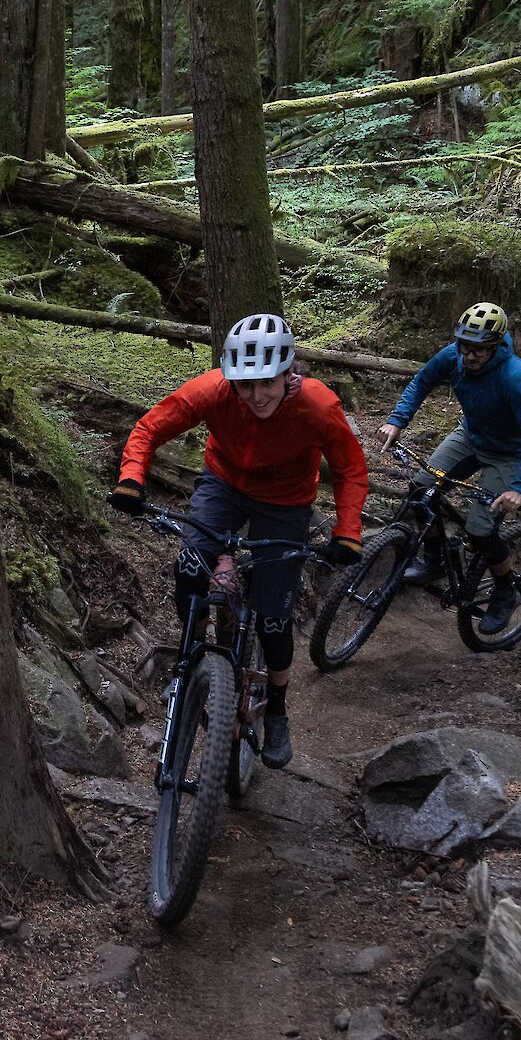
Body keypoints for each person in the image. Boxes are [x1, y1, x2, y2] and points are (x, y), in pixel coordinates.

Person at [108, 314, 369, 768]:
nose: (255, 395)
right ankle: (190, 658)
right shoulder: (213, 390)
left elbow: (348, 467)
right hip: (223, 483)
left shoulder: (318, 406)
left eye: (266, 382)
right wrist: (132, 479)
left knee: (272, 618)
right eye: (244, 385)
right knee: (191, 564)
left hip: (285, 502)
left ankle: (280, 710)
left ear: (288, 371)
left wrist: (347, 531)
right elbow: (151, 427)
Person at [375, 302, 521, 634]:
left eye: (478, 351)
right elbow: (421, 382)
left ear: (496, 346)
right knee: (420, 490)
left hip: (508, 455)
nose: (468, 356)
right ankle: (434, 561)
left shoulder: (520, 378)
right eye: (464, 347)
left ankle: (505, 590)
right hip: (470, 437)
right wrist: (396, 421)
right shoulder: (453, 356)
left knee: (479, 528)